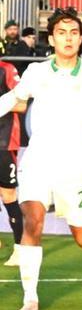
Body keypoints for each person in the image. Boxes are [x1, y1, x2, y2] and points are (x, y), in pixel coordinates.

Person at [0, 10, 82, 310]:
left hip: (75, 166)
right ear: (51, 39)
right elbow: (12, 98)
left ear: (81, 39)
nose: (68, 38)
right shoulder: (36, 72)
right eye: (62, 33)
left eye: (74, 33)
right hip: (37, 160)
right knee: (33, 221)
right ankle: (30, 296)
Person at [0, 55, 22, 265]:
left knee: (8, 195)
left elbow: (21, 104)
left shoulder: (7, 69)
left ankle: (20, 248)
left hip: (4, 141)